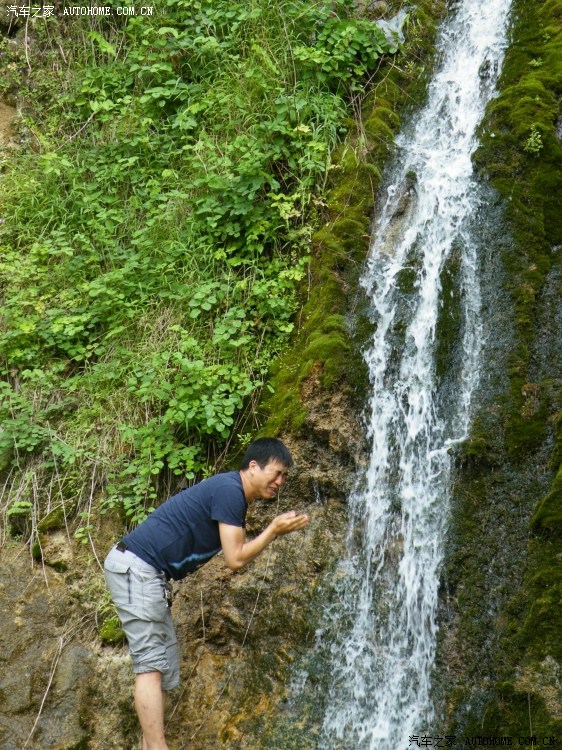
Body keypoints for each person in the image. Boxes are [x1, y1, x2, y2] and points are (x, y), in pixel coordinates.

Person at [104, 437, 309, 750]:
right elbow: (235, 558)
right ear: (253, 466)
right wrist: (272, 530)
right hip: (138, 569)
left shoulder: (232, 492)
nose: (280, 482)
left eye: (284, 476)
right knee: (150, 666)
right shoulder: (231, 491)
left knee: (163, 668)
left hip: (147, 574)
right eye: (276, 473)